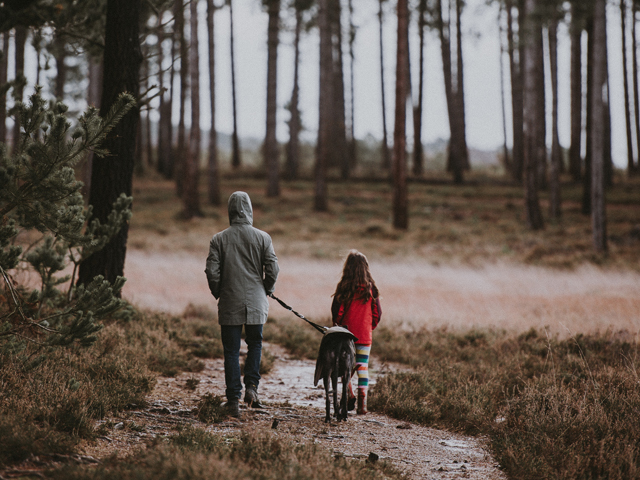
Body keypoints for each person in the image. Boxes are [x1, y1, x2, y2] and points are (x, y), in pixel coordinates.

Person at [205, 191, 279, 418]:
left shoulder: (218, 239)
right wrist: (266, 289)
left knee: (231, 351)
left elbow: (211, 272)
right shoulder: (263, 238)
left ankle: (233, 400)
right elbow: (273, 269)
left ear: (230, 210)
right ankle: (252, 390)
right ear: (249, 209)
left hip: (229, 301)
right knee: (255, 344)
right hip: (257, 301)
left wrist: (219, 292)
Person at [330, 250, 381, 415]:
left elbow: (337, 311)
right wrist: (368, 327)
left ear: (348, 268)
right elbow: (377, 314)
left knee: (345, 367)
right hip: (365, 335)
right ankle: (362, 404)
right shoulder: (371, 289)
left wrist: (337, 325)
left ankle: (349, 394)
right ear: (366, 268)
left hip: (346, 334)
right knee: (362, 367)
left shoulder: (344, 288)